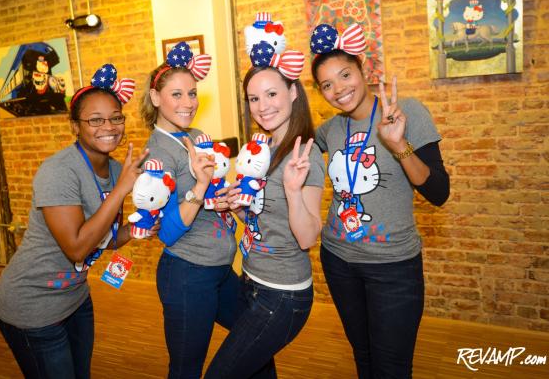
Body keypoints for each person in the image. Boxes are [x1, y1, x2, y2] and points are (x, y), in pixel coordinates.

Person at [310, 23, 450, 378]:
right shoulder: (330, 129)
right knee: (364, 357)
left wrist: (398, 144)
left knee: (392, 367)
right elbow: (291, 145)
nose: (339, 89)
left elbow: (439, 192)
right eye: (327, 85)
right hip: (339, 260)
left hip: (394, 267)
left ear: (362, 70)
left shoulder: (408, 112)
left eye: (345, 75)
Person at [0, 64, 147, 379]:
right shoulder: (58, 171)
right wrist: (121, 190)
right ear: (75, 126)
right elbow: (77, 248)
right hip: (32, 307)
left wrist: (138, 228)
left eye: (116, 117)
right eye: (95, 120)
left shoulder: (117, 171)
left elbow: (104, 238)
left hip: (76, 300)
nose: (109, 127)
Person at [204, 40, 325, 379]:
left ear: (293, 92)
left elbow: (307, 237)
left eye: (271, 94)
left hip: (282, 295)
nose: (262, 106)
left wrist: (292, 191)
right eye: (254, 98)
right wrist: (237, 206)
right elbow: (260, 219)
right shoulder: (261, 147)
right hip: (251, 281)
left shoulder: (305, 154)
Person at [140, 42, 239, 379]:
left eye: (192, 93)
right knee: (186, 369)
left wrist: (225, 197)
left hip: (220, 268)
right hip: (187, 274)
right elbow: (167, 233)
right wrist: (200, 185)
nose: (189, 103)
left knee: (254, 344)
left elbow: (213, 192)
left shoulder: (196, 136)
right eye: (177, 94)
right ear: (156, 98)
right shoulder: (157, 154)